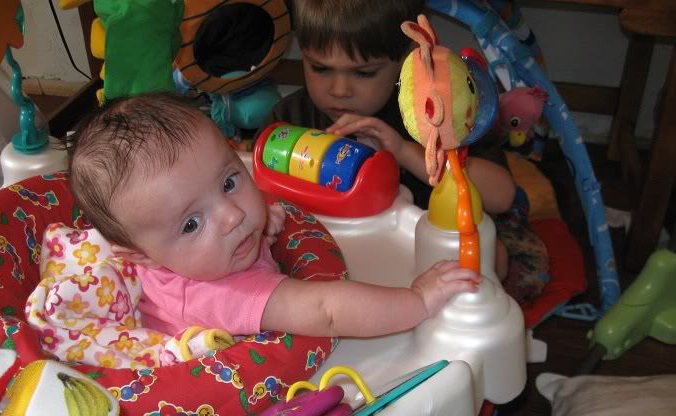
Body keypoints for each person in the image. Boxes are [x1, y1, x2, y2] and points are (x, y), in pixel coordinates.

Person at [67, 92, 480, 339]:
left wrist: (263, 221)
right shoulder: (220, 294)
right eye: (191, 224)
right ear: (140, 256)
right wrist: (417, 300)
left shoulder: (192, 245)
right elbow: (326, 311)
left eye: (229, 182)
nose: (232, 216)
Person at [264, 0, 549, 302]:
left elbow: (501, 195)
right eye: (320, 68)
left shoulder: (437, 113)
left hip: (425, 248)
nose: (339, 89)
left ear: (406, 59)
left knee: (501, 261)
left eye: (363, 73)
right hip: (337, 250)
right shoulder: (288, 120)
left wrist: (403, 151)